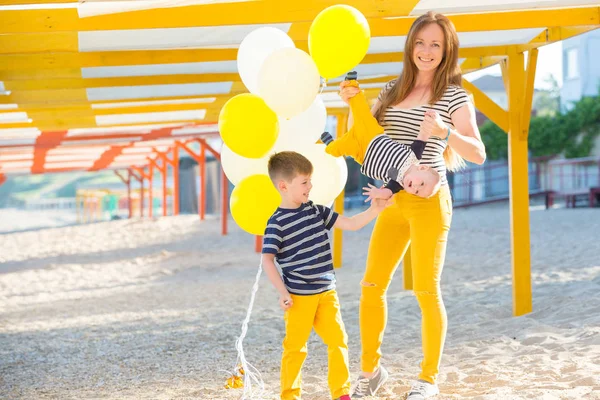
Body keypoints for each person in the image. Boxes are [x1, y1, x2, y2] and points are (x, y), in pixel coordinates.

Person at [339, 11, 486, 399]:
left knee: (425, 289)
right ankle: (370, 372)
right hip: (392, 202)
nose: (426, 50)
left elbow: (479, 153)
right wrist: (350, 103)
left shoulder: (454, 95)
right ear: (410, 45)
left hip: (429, 201)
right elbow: (361, 139)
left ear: (446, 50)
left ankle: (427, 380)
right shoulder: (391, 89)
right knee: (371, 285)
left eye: (436, 44)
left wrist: (446, 131)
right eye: (420, 42)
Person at [261, 151, 390, 400]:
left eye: (310, 180)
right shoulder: (276, 223)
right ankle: (289, 395)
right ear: (284, 186)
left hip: (327, 293)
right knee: (295, 348)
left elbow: (351, 224)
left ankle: (341, 393)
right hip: (298, 298)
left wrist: (376, 209)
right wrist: (283, 292)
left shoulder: (317, 211)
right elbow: (267, 260)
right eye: (304, 182)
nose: (311, 186)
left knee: (338, 340)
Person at [320, 73, 442, 200]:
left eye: (416, 192)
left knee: (335, 150)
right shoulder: (415, 156)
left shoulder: (397, 183)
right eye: (421, 184)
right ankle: (351, 84)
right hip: (372, 135)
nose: (415, 188)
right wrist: (430, 120)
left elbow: (387, 192)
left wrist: (378, 193)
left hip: (361, 153)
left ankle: (330, 144)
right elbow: (422, 136)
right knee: (361, 111)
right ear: (422, 167)